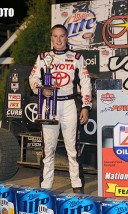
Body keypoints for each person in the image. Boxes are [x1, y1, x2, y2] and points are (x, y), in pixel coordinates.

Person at [29, 24, 92, 194]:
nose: (58, 39)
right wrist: (41, 88)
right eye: (55, 36)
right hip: (49, 106)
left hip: (69, 105)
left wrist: (86, 106)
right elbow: (33, 78)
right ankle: (46, 186)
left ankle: (77, 186)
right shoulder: (43, 57)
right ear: (51, 38)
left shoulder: (77, 57)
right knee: (48, 149)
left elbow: (85, 82)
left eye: (62, 36)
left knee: (72, 149)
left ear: (66, 38)